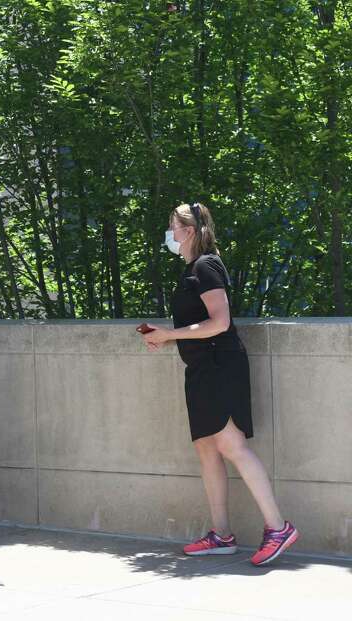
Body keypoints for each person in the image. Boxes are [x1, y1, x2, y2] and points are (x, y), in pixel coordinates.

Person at [141, 202, 298, 566]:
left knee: (231, 444)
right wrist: (166, 336)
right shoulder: (191, 270)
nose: (170, 235)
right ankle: (222, 535)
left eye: (173, 227)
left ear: (190, 231)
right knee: (207, 449)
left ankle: (279, 528)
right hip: (200, 369)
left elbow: (220, 322)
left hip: (219, 365)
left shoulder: (206, 265)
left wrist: (170, 335)